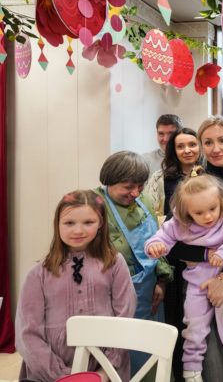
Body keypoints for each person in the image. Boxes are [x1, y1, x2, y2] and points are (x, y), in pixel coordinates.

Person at [167, 116, 223, 382]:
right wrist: (207, 257)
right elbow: (172, 245)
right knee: (211, 363)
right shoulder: (190, 185)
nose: (216, 148)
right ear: (201, 146)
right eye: (208, 142)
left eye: (222, 140)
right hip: (199, 275)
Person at [15, 190, 137, 382]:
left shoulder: (115, 263)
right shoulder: (38, 274)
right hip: (48, 376)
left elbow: (125, 319)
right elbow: (27, 335)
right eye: (69, 223)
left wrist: (104, 372)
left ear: (101, 223)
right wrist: (62, 376)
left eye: (88, 222)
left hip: (106, 372)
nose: (78, 231)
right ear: (57, 224)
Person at [145, 169, 223, 382]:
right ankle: (191, 370)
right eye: (199, 213)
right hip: (196, 285)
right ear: (187, 212)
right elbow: (160, 238)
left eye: (212, 209)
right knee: (194, 326)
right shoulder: (179, 223)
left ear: (221, 201)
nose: (208, 217)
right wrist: (154, 246)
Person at [94, 151, 173, 380]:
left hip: (150, 292)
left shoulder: (144, 200)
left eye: (140, 186)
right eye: (129, 187)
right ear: (109, 180)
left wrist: (162, 280)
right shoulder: (94, 204)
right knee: (123, 356)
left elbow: (158, 241)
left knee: (152, 354)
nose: (136, 193)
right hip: (114, 297)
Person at [144, 127, 202, 382]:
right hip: (173, 255)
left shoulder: (208, 176)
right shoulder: (161, 178)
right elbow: (154, 217)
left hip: (203, 257)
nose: (187, 150)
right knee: (176, 317)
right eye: (181, 146)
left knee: (199, 321)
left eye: (192, 144)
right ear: (173, 151)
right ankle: (177, 373)